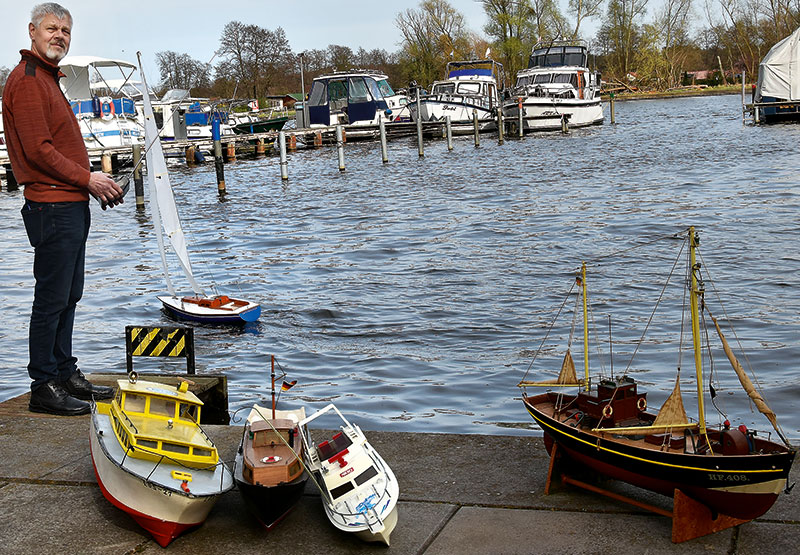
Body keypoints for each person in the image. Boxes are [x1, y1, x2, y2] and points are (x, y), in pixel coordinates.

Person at [3, 3, 124, 416]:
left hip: (69, 203)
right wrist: (88, 178)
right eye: (52, 28)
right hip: (51, 206)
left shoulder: (49, 79)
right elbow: (38, 151)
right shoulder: (28, 80)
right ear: (32, 31)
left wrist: (92, 183)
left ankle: (64, 371)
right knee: (51, 297)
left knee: (70, 293)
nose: (60, 36)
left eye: (66, 31)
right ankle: (43, 384)